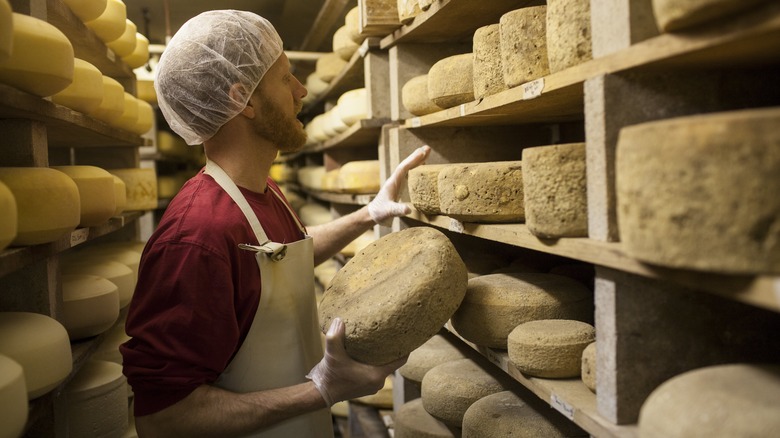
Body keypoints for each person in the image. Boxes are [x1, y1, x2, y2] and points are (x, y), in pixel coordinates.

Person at [120, 9, 431, 438]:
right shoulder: (195, 237)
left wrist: (368, 214)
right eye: (286, 79)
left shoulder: (262, 193)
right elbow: (163, 417)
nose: (301, 90)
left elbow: (279, 262)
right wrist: (321, 389)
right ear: (242, 99)